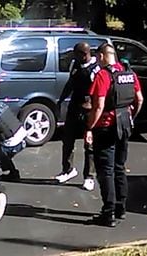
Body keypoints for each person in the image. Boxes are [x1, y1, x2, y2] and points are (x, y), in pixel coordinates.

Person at [85, 43, 143, 227]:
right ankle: (121, 208)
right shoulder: (129, 73)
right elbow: (139, 99)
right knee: (120, 167)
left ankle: (108, 213)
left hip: (106, 127)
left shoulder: (103, 75)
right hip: (124, 124)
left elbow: (99, 106)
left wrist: (89, 127)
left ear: (102, 56)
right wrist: (130, 115)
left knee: (106, 170)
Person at [55, 42, 101, 191]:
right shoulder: (75, 64)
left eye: (76, 54)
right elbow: (70, 83)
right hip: (74, 107)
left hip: (89, 109)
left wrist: (95, 108)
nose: (74, 57)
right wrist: (61, 100)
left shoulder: (96, 69)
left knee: (89, 144)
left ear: (84, 54)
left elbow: (99, 92)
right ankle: (68, 170)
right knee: (67, 139)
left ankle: (89, 176)